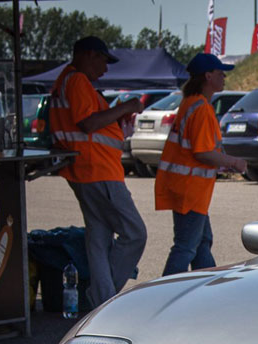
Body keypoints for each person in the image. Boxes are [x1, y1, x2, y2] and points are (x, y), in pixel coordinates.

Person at [49, 36, 147, 308]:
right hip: (98, 170)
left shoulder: (65, 81)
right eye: (103, 61)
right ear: (89, 55)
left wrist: (117, 122)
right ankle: (103, 298)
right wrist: (125, 107)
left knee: (99, 237)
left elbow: (87, 124)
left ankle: (101, 299)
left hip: (85, 169)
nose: (105, 70)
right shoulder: (78, 80)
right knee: (135, 233)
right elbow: (88, 123)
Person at [155, 53, 246, 275]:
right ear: (208, 76)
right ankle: (164, 292)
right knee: (186, 247)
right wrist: (234, 162)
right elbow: (203, 152)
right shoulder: (202, 109)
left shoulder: (190, 103)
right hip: (191, 190)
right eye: (220, 73)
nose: (224, 77)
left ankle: (207, 287)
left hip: (186, 188)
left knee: (202, 242)